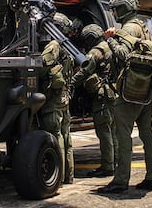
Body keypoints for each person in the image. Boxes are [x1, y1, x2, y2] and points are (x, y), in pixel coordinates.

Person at [98, 0, 152, 193]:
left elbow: (124, 55)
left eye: (116, 9)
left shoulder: (128, 28)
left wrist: (110, 40)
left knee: (122, 135)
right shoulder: (141, 26)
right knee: (147, 133)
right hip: (144, 90)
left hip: (130, 91)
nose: (114, 13)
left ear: (124, 9)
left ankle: (120, 180)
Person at [71, 23, 119, 178]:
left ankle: (107, 167)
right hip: (113, 93)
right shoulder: (110, 46)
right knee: (113, 130)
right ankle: (116, 162)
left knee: (104, 131)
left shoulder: (96, 51)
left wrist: (71, 83)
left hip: (102, 96)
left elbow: (86, 70)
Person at [38, 12, 75, 185]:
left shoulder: (53, 46)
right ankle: (69, 175)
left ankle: (58, 176)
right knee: (67, 137)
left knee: (55, 136)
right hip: (64, 97)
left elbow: (41, 65)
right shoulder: (67, 48)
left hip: (53, 99)